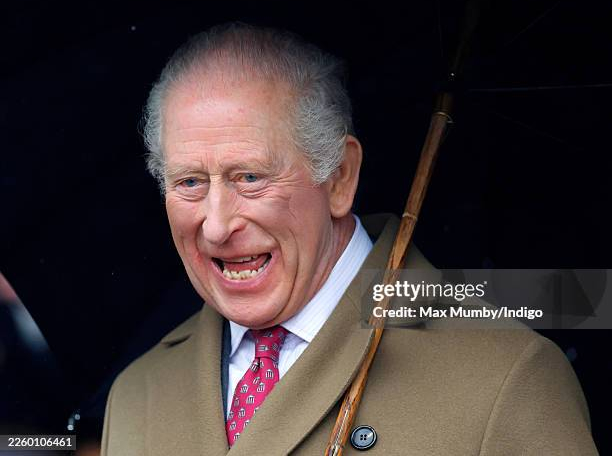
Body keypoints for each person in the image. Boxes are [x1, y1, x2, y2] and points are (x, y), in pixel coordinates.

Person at [101, 23, 597, 455]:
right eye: (189, 182)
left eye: (249, 177)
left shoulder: (505, 377)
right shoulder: (137, 394)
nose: (215, 225)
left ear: (339, 177)